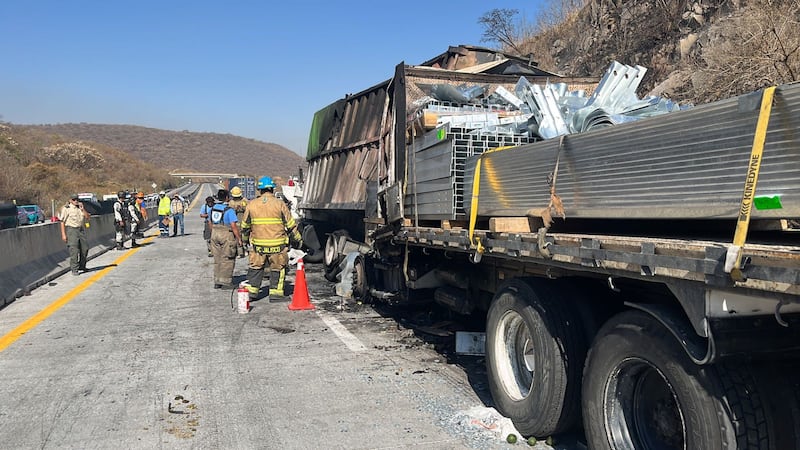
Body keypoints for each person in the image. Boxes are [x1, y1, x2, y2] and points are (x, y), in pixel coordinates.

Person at [241, 176, 303, 301]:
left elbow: (245, 226)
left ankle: (252, 293)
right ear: (272, 189)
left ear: (259, 190)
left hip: (258, 246)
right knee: (278, 269)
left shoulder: (251, 205)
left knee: (256, 268)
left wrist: (245, 240)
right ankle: (275, 294)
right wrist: (298, 240)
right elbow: (290, 225)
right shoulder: (279, 204)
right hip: (277, 246)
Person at [209, 189, 243, 289]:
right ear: (227, 198)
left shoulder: (213, 208)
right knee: (228, 258)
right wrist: (239, 238)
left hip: (214, 233)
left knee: (217, 258)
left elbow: (209, 222)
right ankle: (226, 281)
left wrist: (213, 232)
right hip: (226, 234)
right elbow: (233, 226)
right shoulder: (229, 210)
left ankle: (217, 280)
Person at [58, 194, 91, 275]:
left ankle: (82, 265)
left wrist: (83, 209)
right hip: (72, 230)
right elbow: (62, 222)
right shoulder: (67, 209)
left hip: (80, 230)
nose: (76, 201)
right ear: (70, 200)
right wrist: (63, 234)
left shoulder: (80, 208)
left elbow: (87, 217)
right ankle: (74, 269)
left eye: (77, 199)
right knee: (74, 250)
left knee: (85, 248)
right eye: (74, 199)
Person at [228, 186, 248, 256]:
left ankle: (245, 248)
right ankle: (239, 252)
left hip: (244, 221)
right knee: (236, 237)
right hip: (235, 222)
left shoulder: (244, 200)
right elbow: (229, 212)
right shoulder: (231, 202)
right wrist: (235, 210)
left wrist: (243, 208)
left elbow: (249, 210)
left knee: (245, 236)